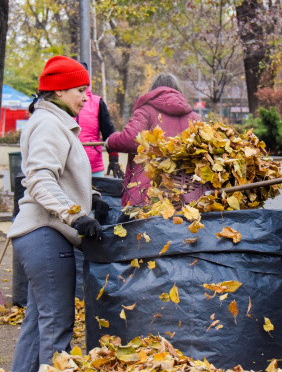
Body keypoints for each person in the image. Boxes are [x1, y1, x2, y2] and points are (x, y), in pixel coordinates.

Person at [7, 55, 109, 372]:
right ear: (60, 91)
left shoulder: (55, 123)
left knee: (38, 326)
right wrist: (75, 215)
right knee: (57, 327)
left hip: (42, 235)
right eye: (80, 90)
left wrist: (91, 197)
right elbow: (38, 179)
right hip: (46, 236)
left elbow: (62, 176)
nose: (85, 97)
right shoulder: (49, 125)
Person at [106, 72, 201, 206]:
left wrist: (110, 141)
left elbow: (129, 139)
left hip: (148, 192)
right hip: (187, 195)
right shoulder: (195, 118)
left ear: (153, 91)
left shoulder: (146, 111)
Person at [77, 62, 124, 179]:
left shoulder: (97, 103)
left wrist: (114, 159)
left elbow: (109, 132)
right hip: (68, 168)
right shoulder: (63, 103)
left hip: (93, 166)